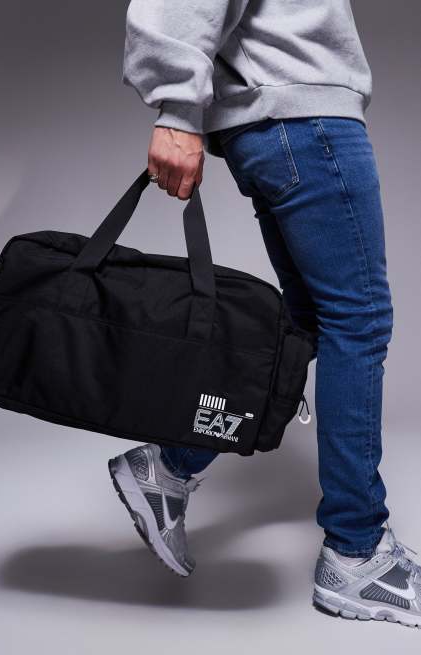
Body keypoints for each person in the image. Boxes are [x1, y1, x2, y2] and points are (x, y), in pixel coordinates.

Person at [107, 0, 421, 626]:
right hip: (303, 117)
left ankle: (168, 466)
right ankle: (357, 553)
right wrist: (177, 109)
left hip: (281, 120)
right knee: (358, 322)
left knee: (309, 324)